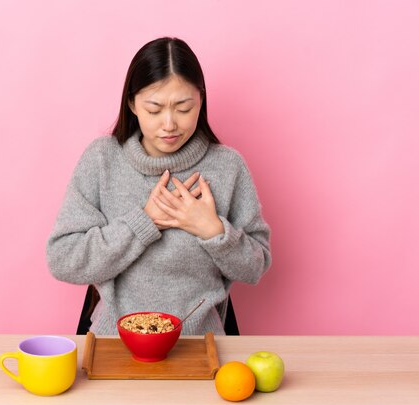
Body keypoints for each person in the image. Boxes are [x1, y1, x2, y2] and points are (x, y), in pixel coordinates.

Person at [46, 37, 271, 336]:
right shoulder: (102, 159)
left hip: (201, 348)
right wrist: (144, 223)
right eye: (154, 109)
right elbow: (62, 259)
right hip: (114, 345)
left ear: (200, 100)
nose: (169, 124)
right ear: (132, 103)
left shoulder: (228, 166)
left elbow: (255, 266)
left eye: (183, 107)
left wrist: (213, 230)